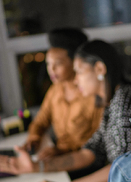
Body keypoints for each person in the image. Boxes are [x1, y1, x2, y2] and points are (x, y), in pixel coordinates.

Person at [0, 40, 131, 182]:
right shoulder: (110, 102)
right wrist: (36, 166)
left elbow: (121, 171)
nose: (76, 81)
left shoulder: (125, 103)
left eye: (79, 72)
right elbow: (90, 152)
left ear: (99, 69)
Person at [22, 28, 104, 160]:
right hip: (57, 155)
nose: (51, 69)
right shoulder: (55, 89)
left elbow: (97, 143)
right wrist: (34, 137)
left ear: (75, 63)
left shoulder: (93, 94)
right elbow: (40, 122)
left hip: (81, 161)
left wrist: (62, 151)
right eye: (48, 63)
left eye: (58, 63)